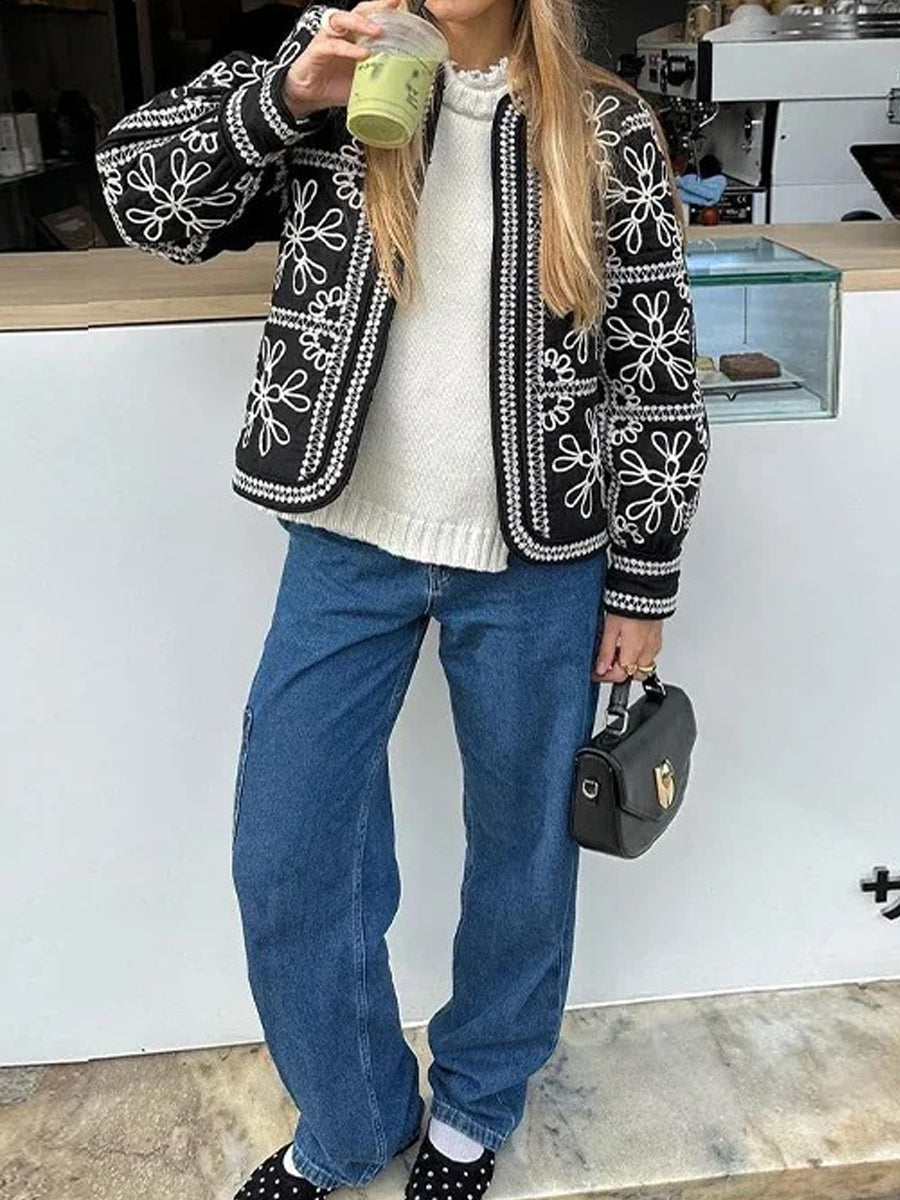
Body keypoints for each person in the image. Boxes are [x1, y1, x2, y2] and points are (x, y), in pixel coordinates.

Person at [95, 0, 710, 1196]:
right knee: (288, 856)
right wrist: (286, 99)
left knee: (521, 858)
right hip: (346, 548)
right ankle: (353, 1120)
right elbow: (142, 204)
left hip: (540, 564)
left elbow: (656, 367)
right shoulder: (329, 85)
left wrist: (644, 575)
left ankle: (475, 1108)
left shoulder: (605, 128)